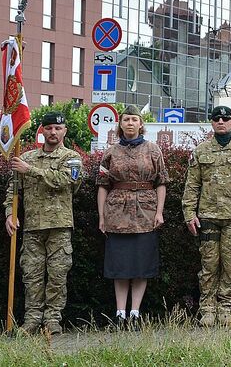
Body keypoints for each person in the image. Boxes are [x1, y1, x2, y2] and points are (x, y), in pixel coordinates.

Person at [4, 112, 84, 335]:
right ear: (42, 130)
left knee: (57, 275)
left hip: (59, 226)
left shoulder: (72, 158)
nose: (53, 132)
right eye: (48, 128)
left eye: (58, 128)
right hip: (32, 227)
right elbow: (13, 191)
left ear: (65, 131)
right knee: (32, 276)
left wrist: (30, 170)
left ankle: (52, 320)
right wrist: (10, 214)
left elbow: (65, 180)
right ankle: (31, 320)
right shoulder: (26, 157)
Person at [182, 106, 231, 327]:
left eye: (226, 118)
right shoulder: (201, 151)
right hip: (207, 217)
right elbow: (192, 186)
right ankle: (207, 310)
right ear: (212, 122)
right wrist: (189, 214)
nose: (221, 122)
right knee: (208, 265)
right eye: (216, 118)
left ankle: (227, 309)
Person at [97, 105, 168, 328]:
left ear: (141, 124)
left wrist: (159, 212)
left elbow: (161, 182)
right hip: (117, 215)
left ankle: (135, 313)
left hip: (145, 214)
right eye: (126, 119)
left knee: (140, 267)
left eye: (134, 119)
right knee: (120, 267)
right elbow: (102, 185)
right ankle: (120, 314)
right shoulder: (110, 152)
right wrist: (101, 216)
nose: (130, 123)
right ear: (120, 124)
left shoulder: (153, 150)